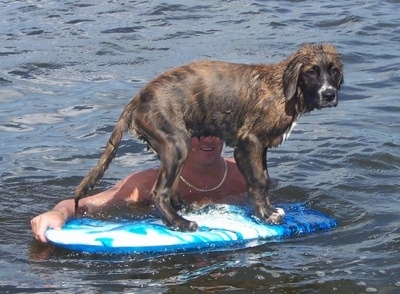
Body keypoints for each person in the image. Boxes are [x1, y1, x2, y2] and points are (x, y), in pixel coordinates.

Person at [31, 136, 249, 243]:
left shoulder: (246, 173)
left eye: (215, 130)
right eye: (199, 132)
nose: (208, 139)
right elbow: (85, 204)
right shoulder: (147, 183)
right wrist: (58, 213)